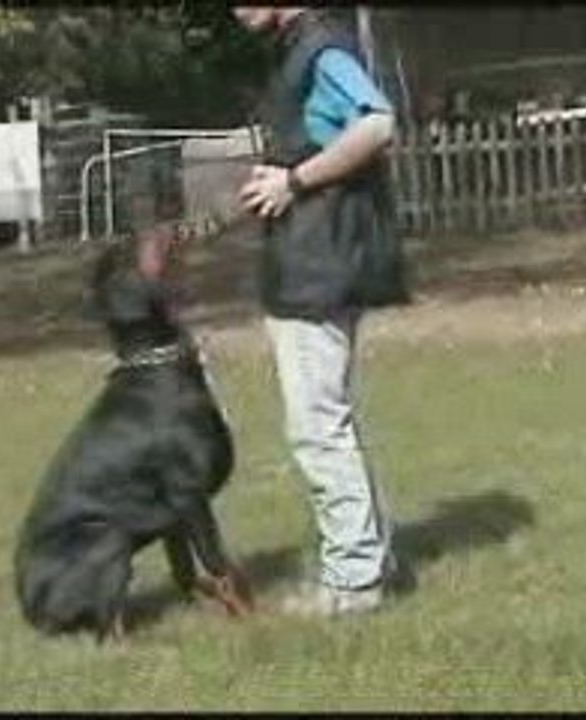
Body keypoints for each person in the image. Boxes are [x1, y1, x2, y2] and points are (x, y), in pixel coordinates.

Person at [232, 6, 411, 616]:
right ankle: (371, 558)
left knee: (317, 425)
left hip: (321, 259)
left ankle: (353, 580)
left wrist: (295, 181)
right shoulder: (297, 47)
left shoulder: (321, 47)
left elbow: (377, 125)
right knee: (330, 418)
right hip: (315, 254)